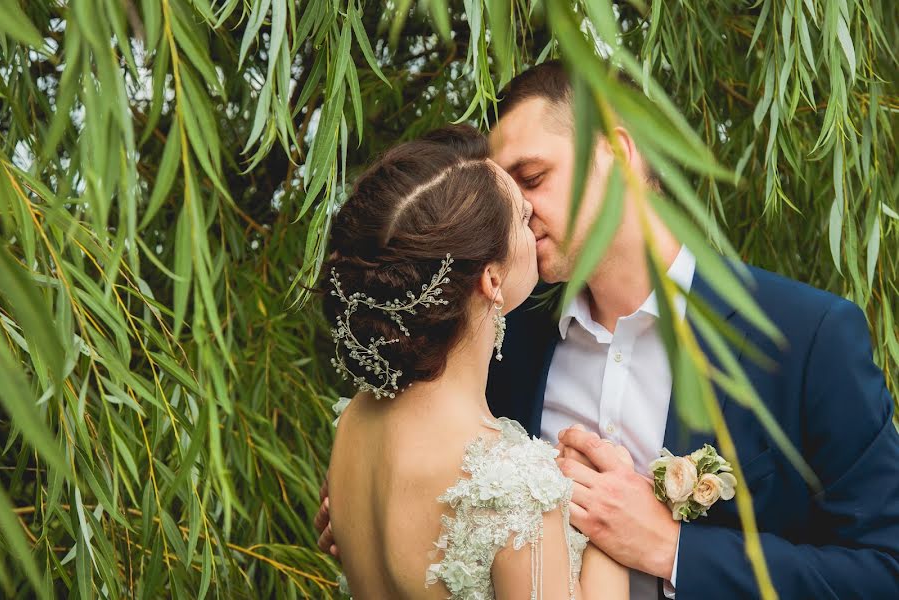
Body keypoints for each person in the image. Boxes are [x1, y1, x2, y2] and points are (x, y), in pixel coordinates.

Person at [318, 60, 899, 599]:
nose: (511, 214)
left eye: (532, 177)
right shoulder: (496, 336)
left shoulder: (808, 335)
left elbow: (884, 568)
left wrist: (673, 549)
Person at [321, 124, 630, 599]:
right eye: (523, 218)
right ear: (490, 279)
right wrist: (610, 532)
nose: (536, 228)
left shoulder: (355, 422)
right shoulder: (512, 484)